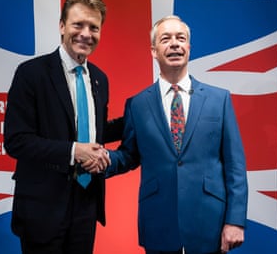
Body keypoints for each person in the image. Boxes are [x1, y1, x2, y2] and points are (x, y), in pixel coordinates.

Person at [105, 15, 248, 254]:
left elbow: (235, 165)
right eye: (165, 39)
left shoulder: (219, 99)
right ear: (153, 51)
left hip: (209, 224)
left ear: (189, 48)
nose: (174, 44)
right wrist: (101, 159)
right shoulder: (138, 105)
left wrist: (235, 220)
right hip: (159, 224)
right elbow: (129, 155)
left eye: (180, 38)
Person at [3, 0, 120, 254]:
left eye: (94, 27)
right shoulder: (31, 73)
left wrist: (139, 119)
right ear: (62, 26)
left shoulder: (100, 79)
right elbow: (17, 141)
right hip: (42, 210)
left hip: (86, 206)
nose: (86, 34)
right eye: (78, 25)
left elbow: (94, 130)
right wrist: (74, 151)